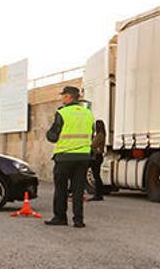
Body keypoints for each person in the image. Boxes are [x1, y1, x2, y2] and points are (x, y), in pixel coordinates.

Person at [45, 86, 95, 228]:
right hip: (83, 157)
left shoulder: (62, 112)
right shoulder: (88, 113)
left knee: (61, 188)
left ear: (68, 97)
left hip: (64, 157)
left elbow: (53, 136)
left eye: (63, 96)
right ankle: (78, 220)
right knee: (78, 190)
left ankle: (60, 217)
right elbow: (92, 134)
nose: (62, 98)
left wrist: (49, 134)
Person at [89, 119, 107, 201]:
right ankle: (99, 193)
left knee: (96, 176)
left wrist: (92, 137)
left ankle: (98, 194)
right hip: (98, 156)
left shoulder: (99, 135)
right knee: (97, 175)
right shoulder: (102, 134)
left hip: (96, 156)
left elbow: (93, 145)